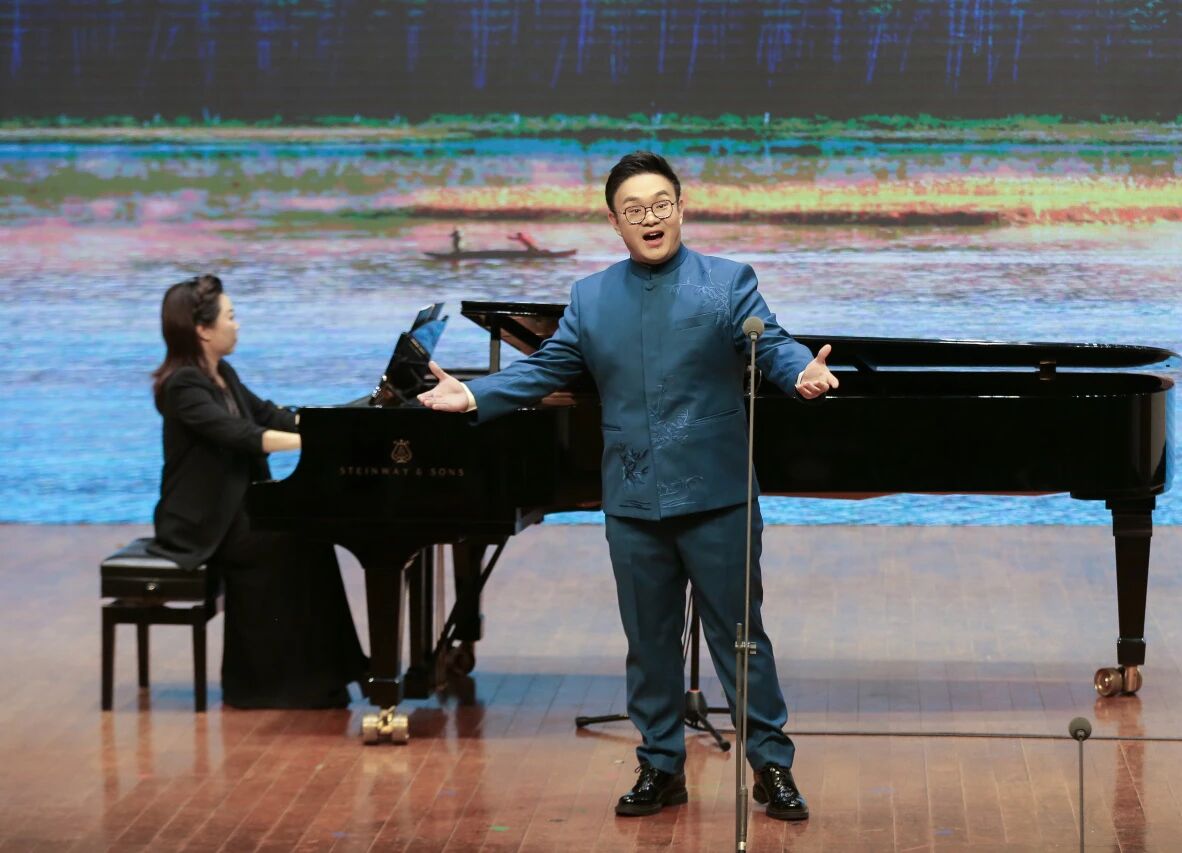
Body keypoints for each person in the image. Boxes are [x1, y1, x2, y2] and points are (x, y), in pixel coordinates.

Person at [419, 152, 838, 820]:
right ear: (615, 221)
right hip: (635, 497)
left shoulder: (728, 281)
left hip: (719, 494)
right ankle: (661, 766)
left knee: (741, 637)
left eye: (661, 204)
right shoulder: (592, 297)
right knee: (648, 641)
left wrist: (800, 374)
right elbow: (548, 367)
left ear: (681, 207)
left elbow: (774, 344)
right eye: (635, 209)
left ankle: (771, 765)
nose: (651, 218)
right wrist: (474, 394)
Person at [147, 274, 368, 709]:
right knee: (294, 539)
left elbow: (269, 414)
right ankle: (265, 684)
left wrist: (338, 422)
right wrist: (319, 443)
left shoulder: (221, 373)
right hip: (202, 522)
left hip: (235, 509)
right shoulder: (183, 386)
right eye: (230, 316)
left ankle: (333, 671)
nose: (237, 324)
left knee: (313, 534)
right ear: (203, 329)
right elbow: (243, 435)